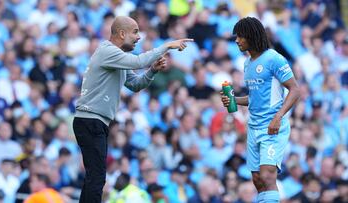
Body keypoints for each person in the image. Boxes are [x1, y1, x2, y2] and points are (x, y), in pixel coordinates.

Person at [73, 16, 193, 203]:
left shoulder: (116, 58)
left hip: (95, 121)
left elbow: (135, 84)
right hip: (91, 120)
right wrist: (167, 46)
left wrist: (152, 70)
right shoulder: (108, 51)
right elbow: (137, 62)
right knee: (97, 177)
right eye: (135, 32)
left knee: (95, 177)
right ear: (121, 33)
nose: (139, 37)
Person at [220, 17, 300, 203]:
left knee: (267, 176)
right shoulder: (247, 64)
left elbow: (295, 89)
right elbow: (255, 98)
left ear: (251, 36)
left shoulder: (274, 58)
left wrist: (278, 117)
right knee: (257, 179)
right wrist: (233, 99)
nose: (237, 40)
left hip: (272, 126)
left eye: (240, 36)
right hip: (254, 126)